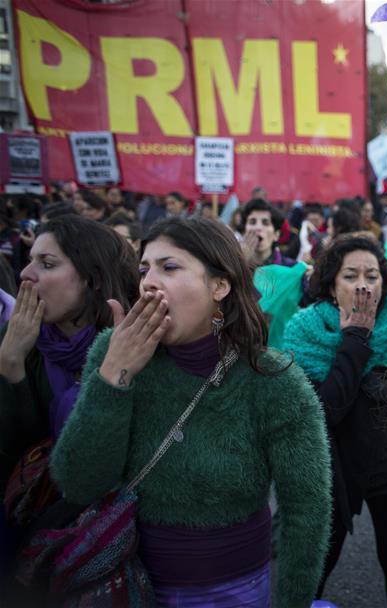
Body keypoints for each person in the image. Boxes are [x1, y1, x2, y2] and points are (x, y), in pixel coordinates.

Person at [48, 217, 331, 607]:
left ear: (219, 285)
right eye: (144, 269)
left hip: (235, 591)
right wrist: (114, 375)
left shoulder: (272, 379)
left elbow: (307, 508)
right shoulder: (113, 352)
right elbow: (77, 482)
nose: (148, 281)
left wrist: (293, 600)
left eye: (170, 267)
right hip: (125, 584)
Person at [0, 216, 140, 594]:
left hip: (108, 543)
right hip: (27, 537)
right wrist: (11, 365)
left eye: (47, 264)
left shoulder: (133, 344)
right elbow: (17, 457)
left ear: (92, 278)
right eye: (29, 260)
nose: (26, 274)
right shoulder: (15, 342)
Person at [283, 235, 387, 608]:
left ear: (385, 283)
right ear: (330, 286)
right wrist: (355, 340)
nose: (363, 285)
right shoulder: (305, 331)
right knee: (316, 567)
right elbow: (324, 413)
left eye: (372, 276)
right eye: (351, 276)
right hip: (333, 472)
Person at [239, 198, 297, 269]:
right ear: (244, 231)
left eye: (265, 223)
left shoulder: (292, 269)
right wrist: (240, 263)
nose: (258, 227)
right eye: (252, 222)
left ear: (276, 235)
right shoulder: (232, 266)